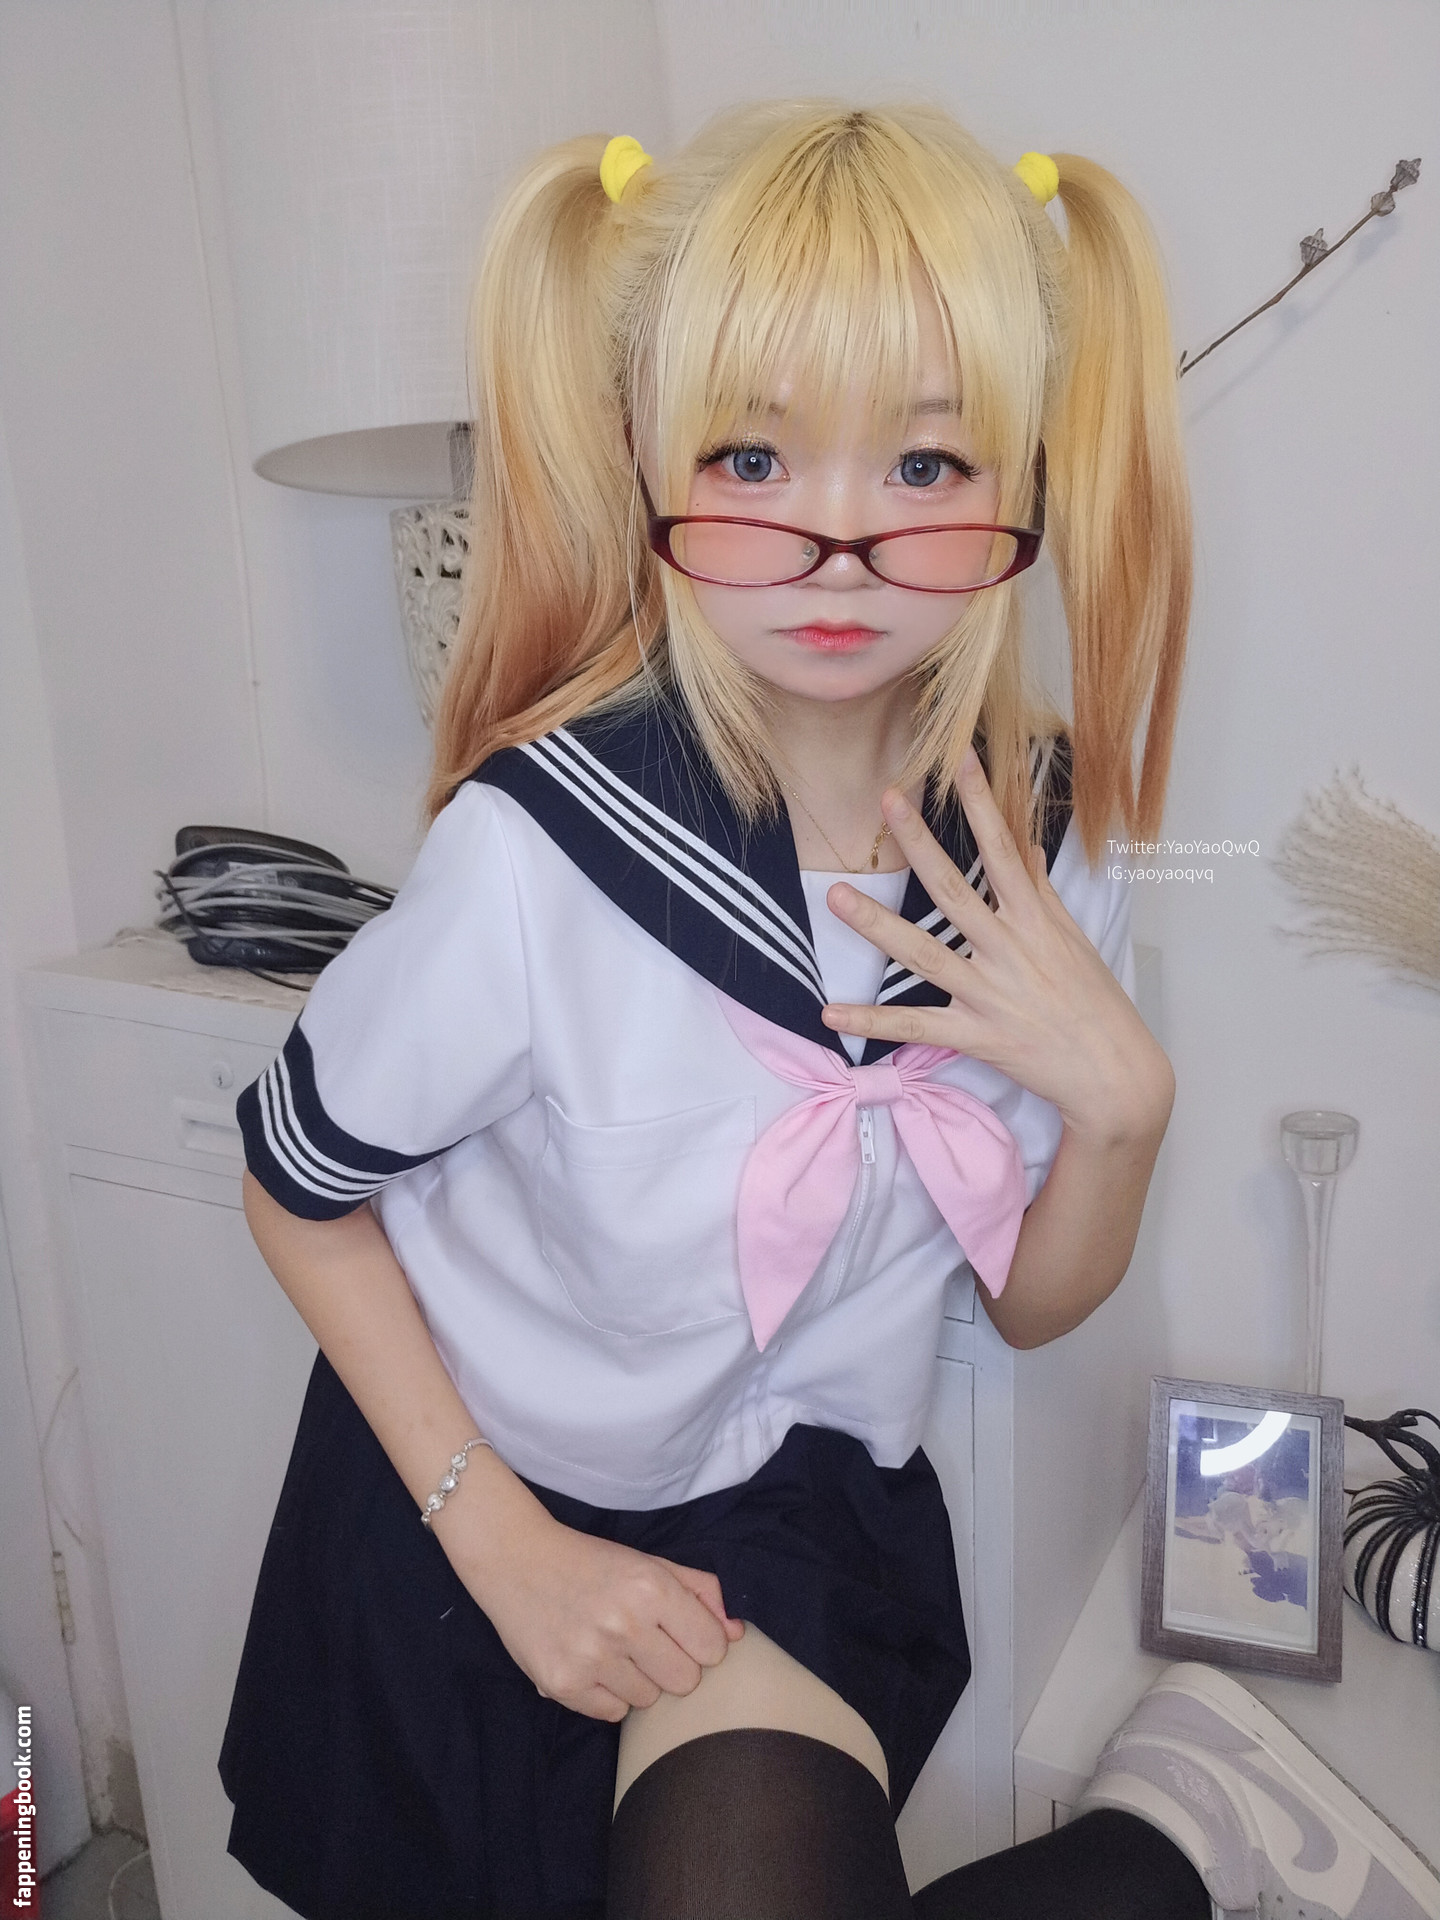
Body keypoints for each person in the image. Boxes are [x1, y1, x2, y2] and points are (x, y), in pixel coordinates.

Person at [216, 100, 1435, 1920]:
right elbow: (292, 1187)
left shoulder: (1042, 850)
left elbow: (1027, 1303)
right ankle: (1170, 1844)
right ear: (646, 450)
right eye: (755, 457)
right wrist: (510, 1548)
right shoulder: (538, 857)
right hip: (468, 1494)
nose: (842, 540)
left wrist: (1124, 1112)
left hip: (792, 1513)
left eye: (927, 463)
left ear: (1023, 472)